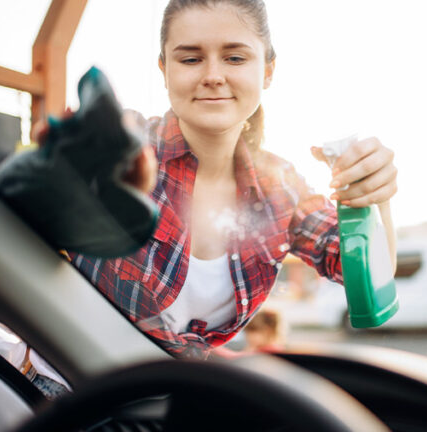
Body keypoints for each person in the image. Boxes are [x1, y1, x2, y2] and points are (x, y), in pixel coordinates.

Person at [72, 0, 398, 358]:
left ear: (268, 71)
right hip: (55, 388)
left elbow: (367, 280)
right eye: (191, 59)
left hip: (158, 402)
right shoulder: (122, 151)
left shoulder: (282, 189)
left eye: (235, 58)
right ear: (164, 70)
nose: (213, 75)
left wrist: (373, 196)